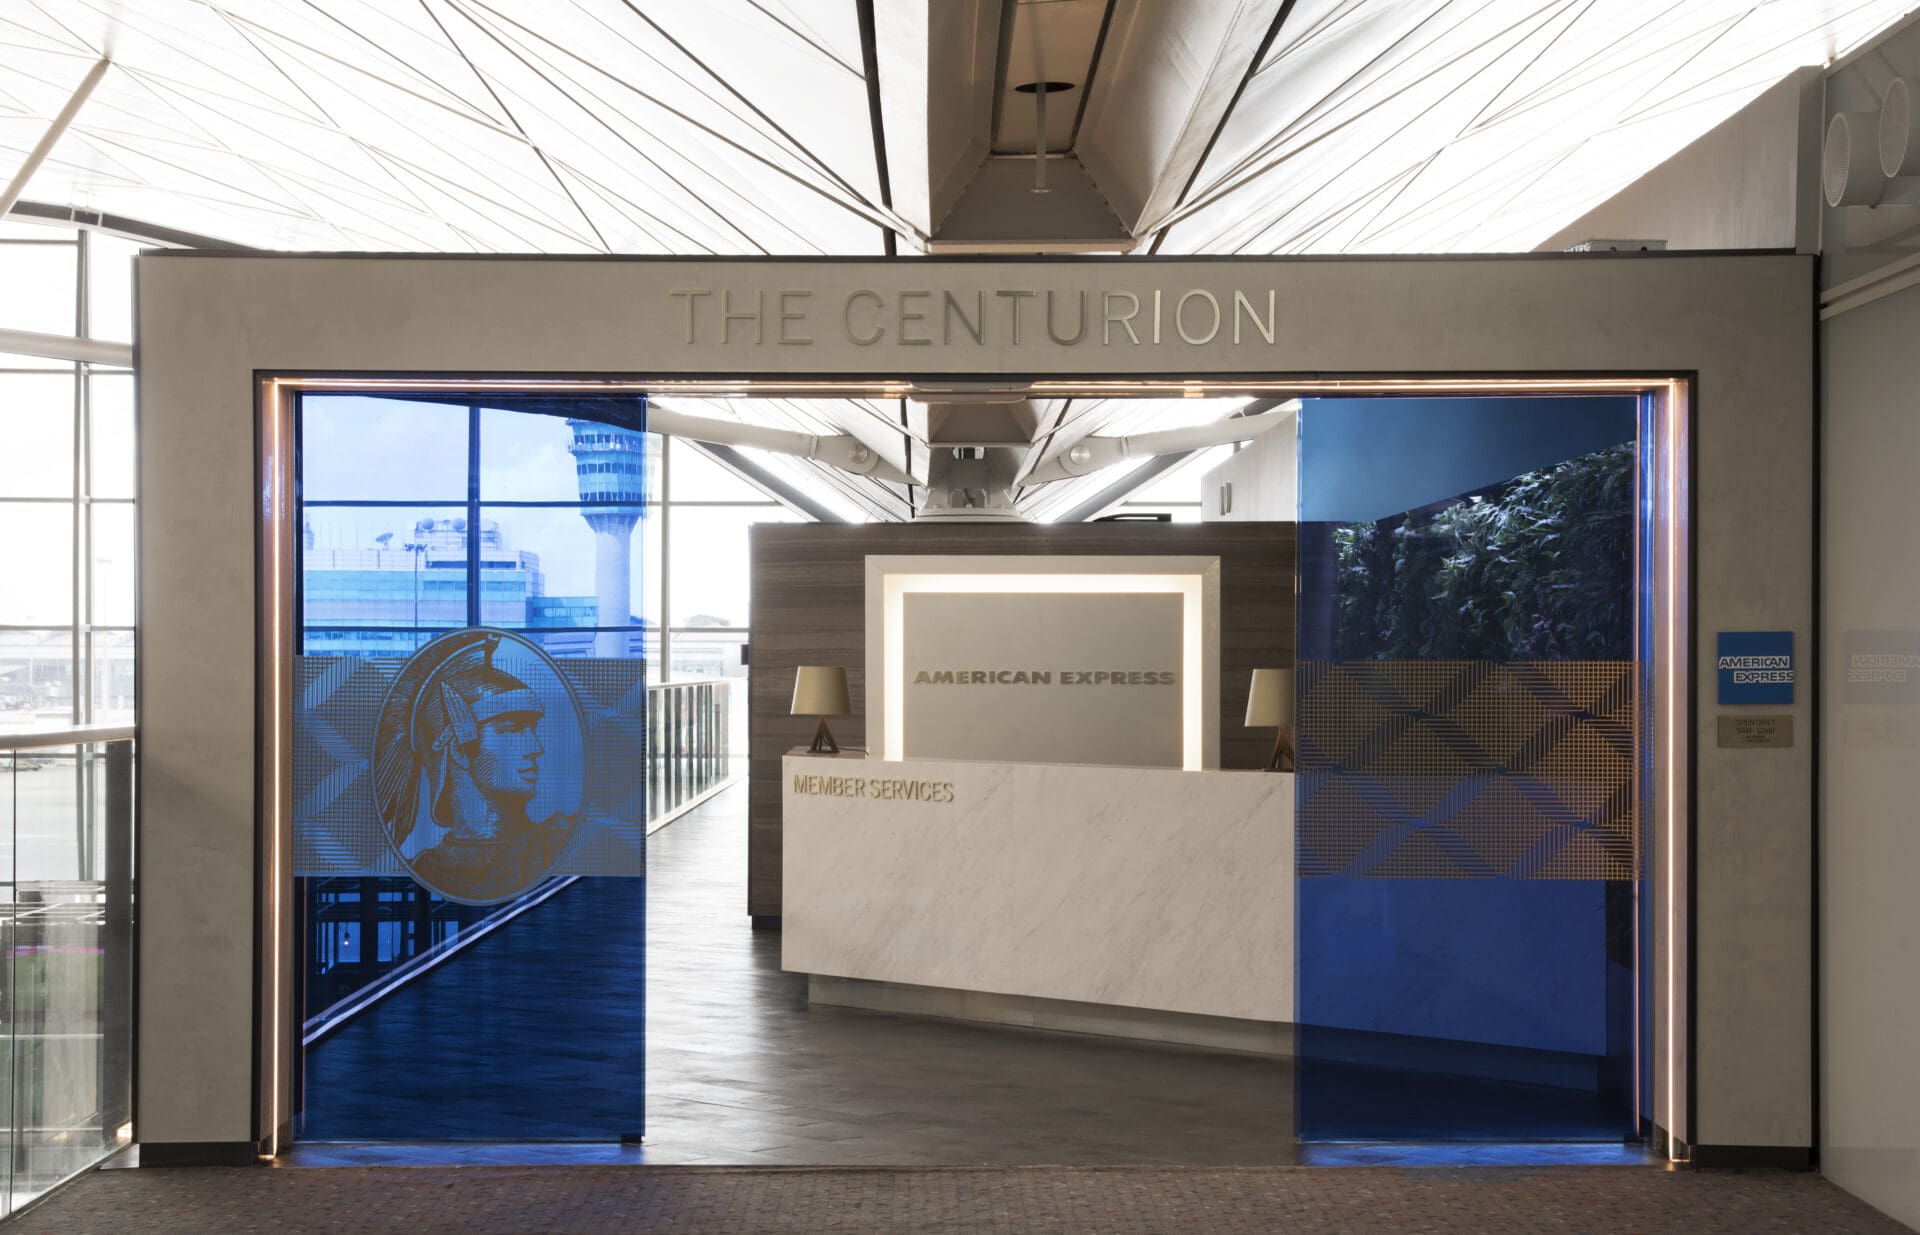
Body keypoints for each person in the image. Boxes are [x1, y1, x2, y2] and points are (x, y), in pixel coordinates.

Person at [397, 636, 574, 902]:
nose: (535, 747)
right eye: (511, 729)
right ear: (459, 749)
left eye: (531, 729)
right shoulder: (426, 868)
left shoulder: (562, 841)